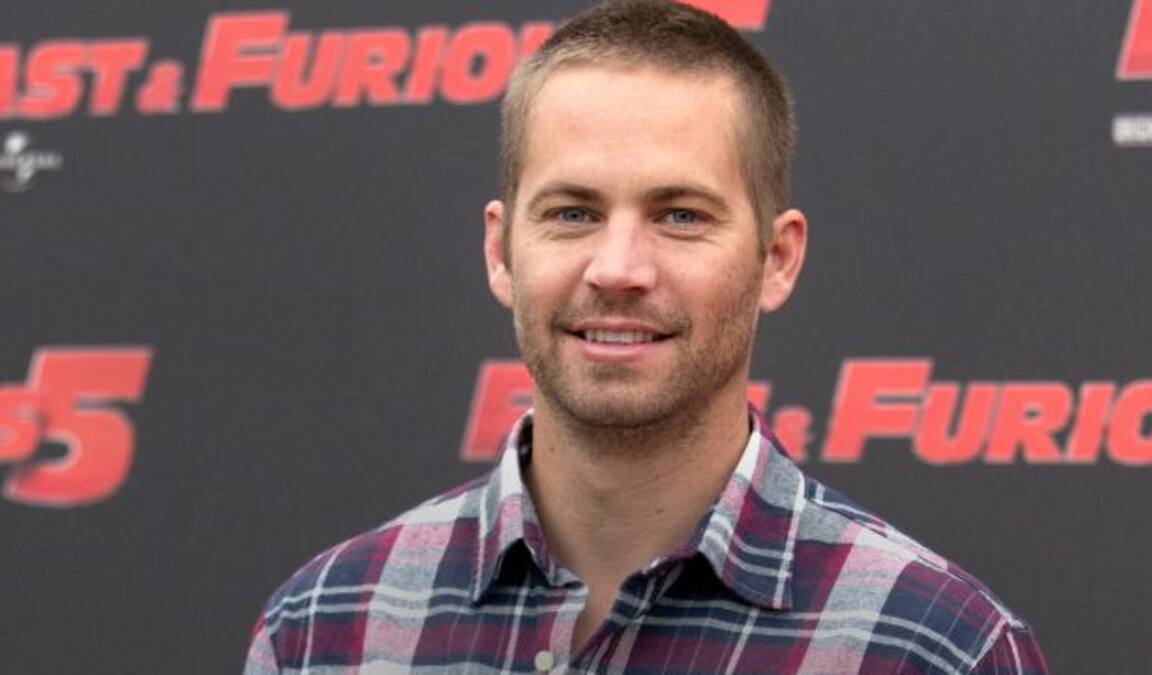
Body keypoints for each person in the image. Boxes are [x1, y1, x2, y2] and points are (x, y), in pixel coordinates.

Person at [243, 1, 1048, 672]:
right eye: (573, 213)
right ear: (500, 250)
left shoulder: (934, 648)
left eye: (680, 216)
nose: (618, 269)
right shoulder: (326, 630)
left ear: (776, 258)